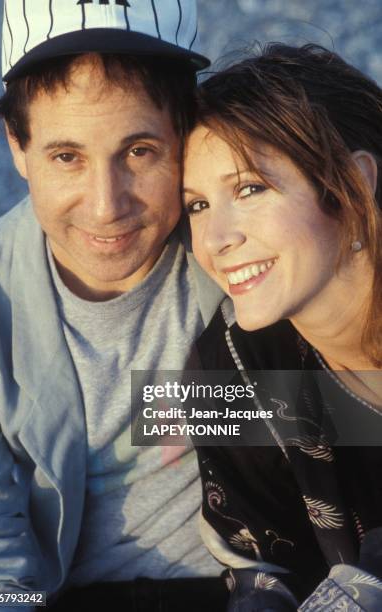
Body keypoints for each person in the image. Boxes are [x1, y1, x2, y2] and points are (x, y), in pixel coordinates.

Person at [0, 1, 228, 610]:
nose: (105, 205)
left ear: (187, 133)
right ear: (17, 145)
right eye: (67, 157)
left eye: (139, 151)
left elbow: (349, 423)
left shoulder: (244, 251)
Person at [183, 44, 382, 611]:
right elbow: (263, 569)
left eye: (249, 189)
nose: (217, 240)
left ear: (352, 183)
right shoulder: (232, 365)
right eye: (195, 205)